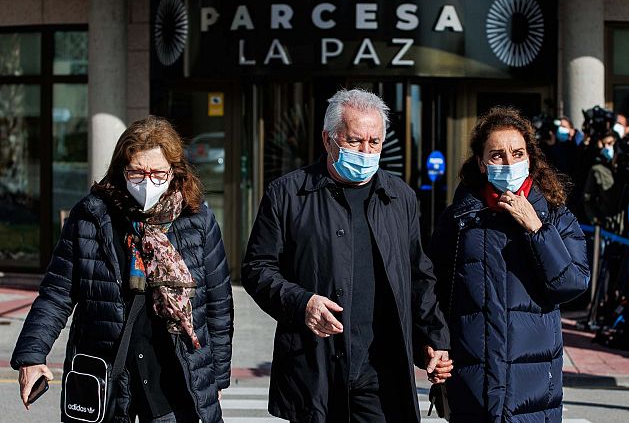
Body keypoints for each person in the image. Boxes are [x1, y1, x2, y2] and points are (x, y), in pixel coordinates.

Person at [241, 89, 451, 423]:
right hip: (316, 366)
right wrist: (302, 302)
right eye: (354, 141)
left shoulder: (400, 197)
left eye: (375, 142)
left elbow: (418, 274)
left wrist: (435, 338)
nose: (367, 151)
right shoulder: (288, 193)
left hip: (380, 370)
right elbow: (257, 268)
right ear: (328, 140)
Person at [11, 116, 233, 422]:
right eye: (137, 173)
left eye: (157, 173)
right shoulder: (91, 217)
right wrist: (32, 355)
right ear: (121, 170)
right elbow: (57, 294)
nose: (147, 183)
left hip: (175, 382)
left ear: (175, 171)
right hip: (108, 381)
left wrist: (217, 378)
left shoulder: (196, 221)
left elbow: (218, 308)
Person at [428, 106, 589, 422]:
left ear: (530, 158)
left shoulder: (555, 216)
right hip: (473, 383)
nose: (509, 162)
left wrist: (537, 230)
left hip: (533, 390)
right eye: (497, 155)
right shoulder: (459, 219)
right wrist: (436, 345)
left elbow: (573, 283)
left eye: (517, 153)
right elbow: (434, 291)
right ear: (482, 163)